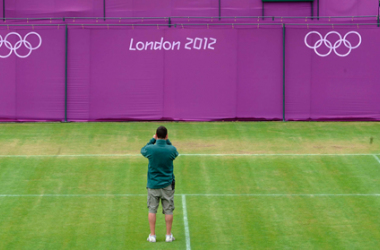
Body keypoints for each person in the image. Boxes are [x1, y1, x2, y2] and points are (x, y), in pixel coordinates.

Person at [141, 126, 179, 243]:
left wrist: (152, 140)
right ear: (166, 136)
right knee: (168, 210)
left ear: (156, 136)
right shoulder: (171, 149)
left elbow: (143, 149)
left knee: (152, 209)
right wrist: (167, 141)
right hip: (167, 185)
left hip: (153, 184)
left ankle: (152, 236)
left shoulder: (151, 149)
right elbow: (174, 151)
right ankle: (168, 236)